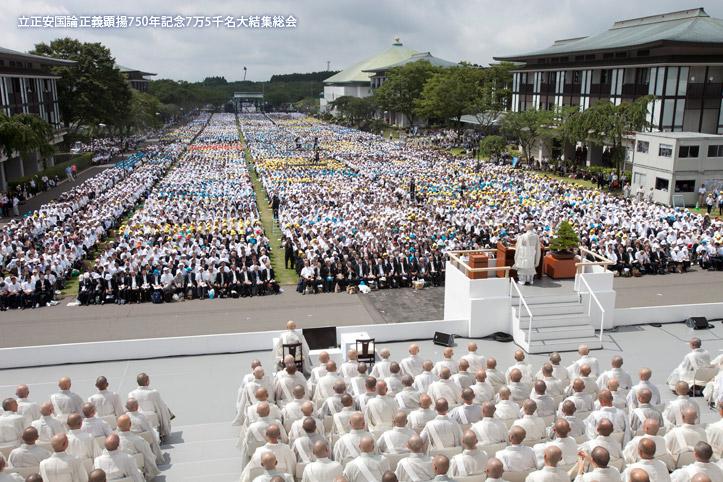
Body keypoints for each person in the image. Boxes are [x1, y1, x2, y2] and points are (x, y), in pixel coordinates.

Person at [128, 372, 174, 441]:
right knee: (165, 408)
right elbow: (161, 409)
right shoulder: (154, 393)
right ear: (147, 382)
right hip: (153, 418)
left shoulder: (131, 394)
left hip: (139, 418)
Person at [116, 414, 161, 480]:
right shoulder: (139, 440)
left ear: (118, 426)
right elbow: (149, 457)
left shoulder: (114, 444)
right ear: (130, 424)